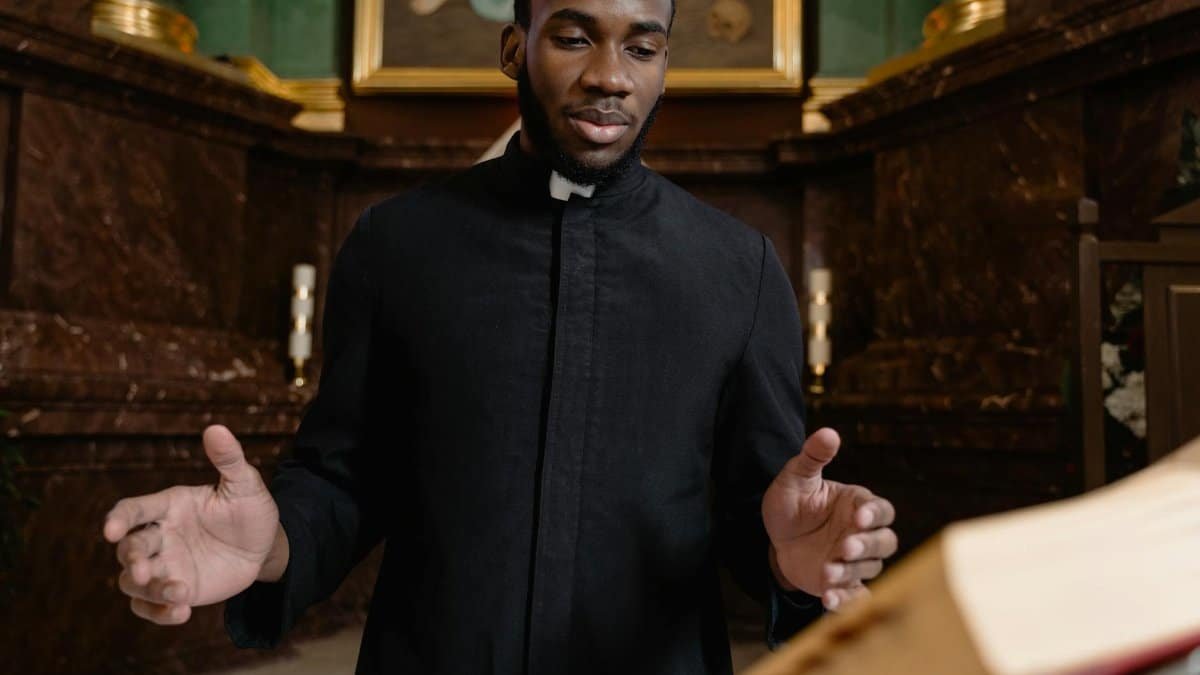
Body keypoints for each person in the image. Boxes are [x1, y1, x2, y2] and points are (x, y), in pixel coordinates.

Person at [102, 1, 898, 673]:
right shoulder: (397, 246)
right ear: (515, 49)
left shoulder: (739, 269)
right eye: (574, 36)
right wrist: (272, 543)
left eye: (643, 46)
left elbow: (759, 513)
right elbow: (344, 479)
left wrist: (790, 563)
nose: (610, 76)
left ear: (665, 63)